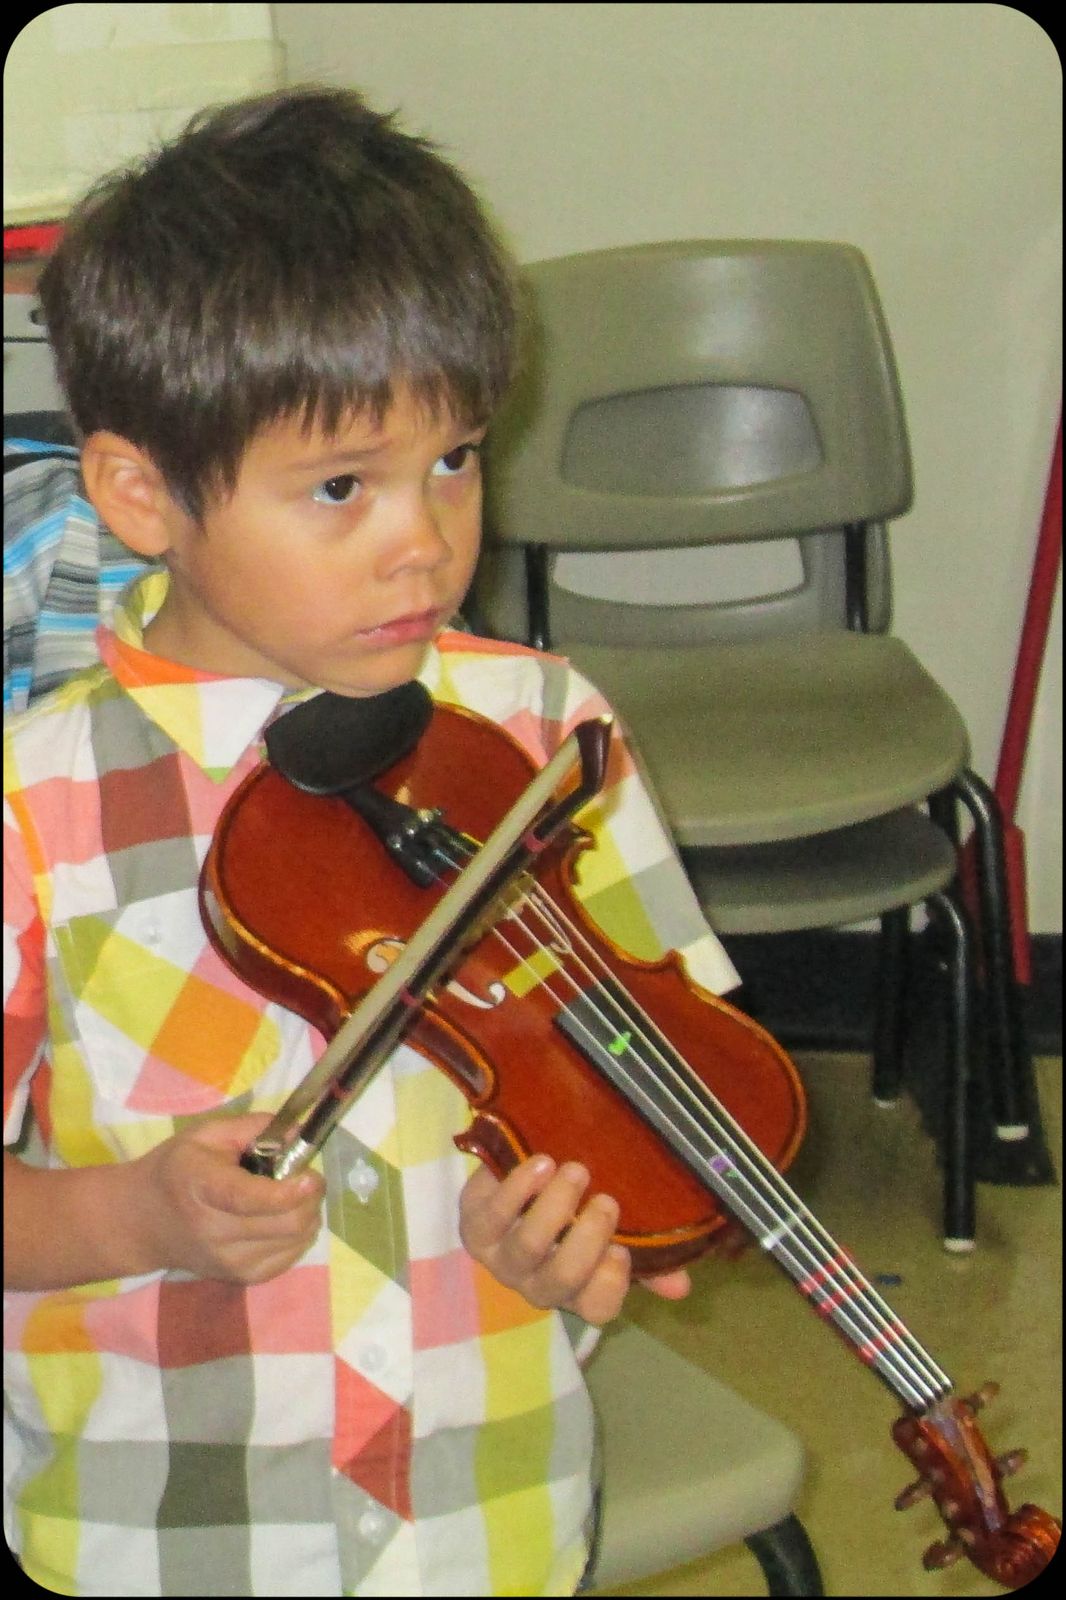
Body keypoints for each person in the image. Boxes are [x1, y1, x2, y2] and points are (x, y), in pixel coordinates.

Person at [3, 86, 739, 1597]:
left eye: (453, 459)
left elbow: (669, 1110)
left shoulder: (544, 735)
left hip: (491, 1516)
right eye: (341, 486)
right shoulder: (36, 799)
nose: (425, 542)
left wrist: (583, 1240)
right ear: (141, 493)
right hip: (163, 1531)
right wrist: (131, 1211)